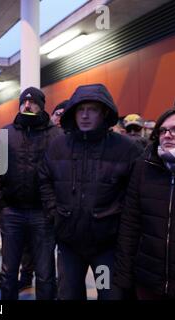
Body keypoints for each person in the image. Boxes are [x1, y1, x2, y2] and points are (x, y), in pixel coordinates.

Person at [39, 84, 142, 300]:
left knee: (107, 294)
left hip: (106, 247)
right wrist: (54, 212)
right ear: (72, 112)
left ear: (104, 112)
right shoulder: (58, 146)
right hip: (69, 246)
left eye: (92, 109)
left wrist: (119, 220)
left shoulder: (125, 149)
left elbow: (136, 193)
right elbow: (44, 179)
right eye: (80, 109)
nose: (85, 115)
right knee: (69, 295)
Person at [0, 87, 60, 300]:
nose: (28, 106)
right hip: (12, 212)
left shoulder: (56, 135)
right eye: (24, 102)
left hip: (43, 214)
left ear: (42, 106)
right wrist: (1, 205)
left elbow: (61, 174)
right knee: (8, 272)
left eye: (33, 103)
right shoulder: (5, 134)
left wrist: (53, 209)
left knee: (45, 274)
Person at [114, 107, 175, 300]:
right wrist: (124, 276)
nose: (168, 135)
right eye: (163, 130)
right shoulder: (144, 167)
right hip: (148, 279)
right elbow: (130, 224)